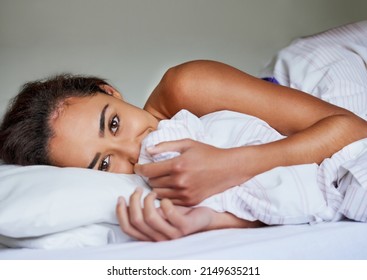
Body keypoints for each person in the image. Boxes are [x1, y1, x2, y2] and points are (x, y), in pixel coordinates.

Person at [1, 21, 367, 241]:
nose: (133, 147)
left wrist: (234, 163)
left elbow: (353, 130)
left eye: (113, 123)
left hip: (328, 71)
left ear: (109, 91)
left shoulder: (184, 86)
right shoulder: (160, 182)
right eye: (104, 163)